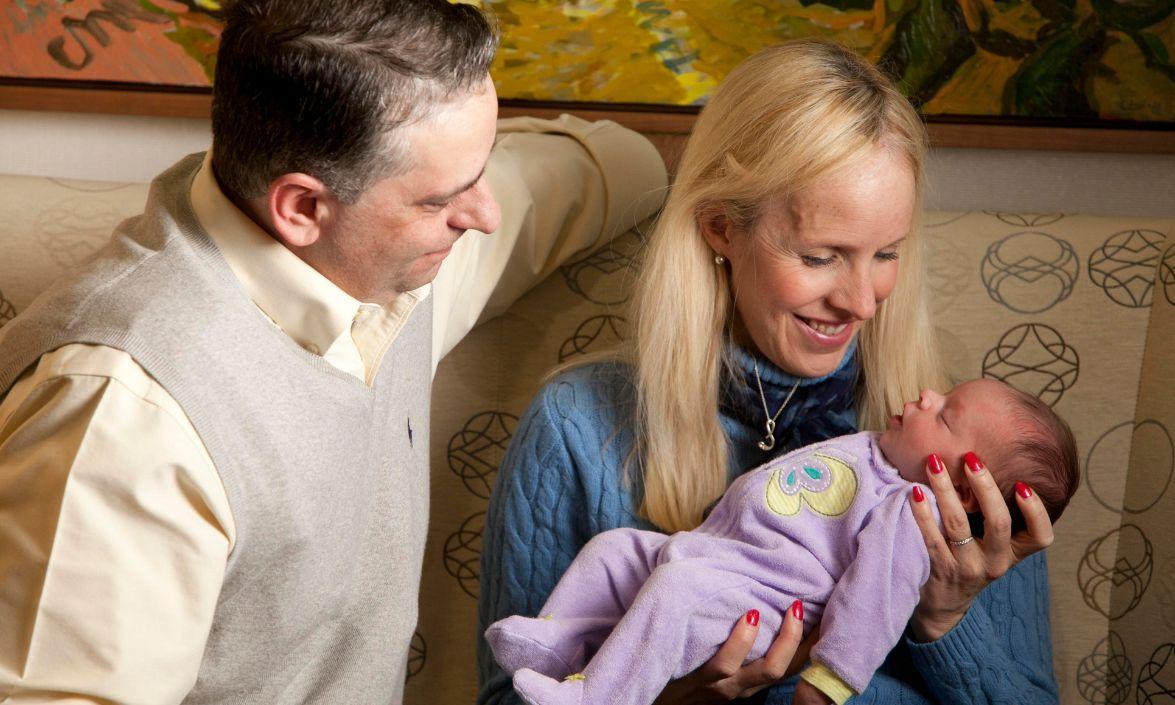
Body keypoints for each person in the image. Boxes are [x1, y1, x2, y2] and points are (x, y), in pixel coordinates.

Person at [0, 1, 665, 703]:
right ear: (301, 209)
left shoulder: (384, 261)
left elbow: (619, 162)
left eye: (481, 166)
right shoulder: (124, 419)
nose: (485, 214)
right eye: (442, 198)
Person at [478, 38, 1061, 705]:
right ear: (721, 227)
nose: (862, 302)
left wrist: (943, 621)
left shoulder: (966, 449)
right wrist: (674, 697)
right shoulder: (576, 425)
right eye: (820, 256)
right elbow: (506, 698)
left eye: (886, 253)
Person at [485, 379, 1079, 705]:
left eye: (944, 416)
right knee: (614, 548)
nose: (926, 394)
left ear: (965, 488)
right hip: (710, 556)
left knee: (678, 589)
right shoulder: (880, 452)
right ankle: (559, 648)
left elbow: (872, 603)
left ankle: (597, 700)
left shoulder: (912, 512)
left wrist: (831, 681)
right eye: (818, 255)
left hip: (764, 601)